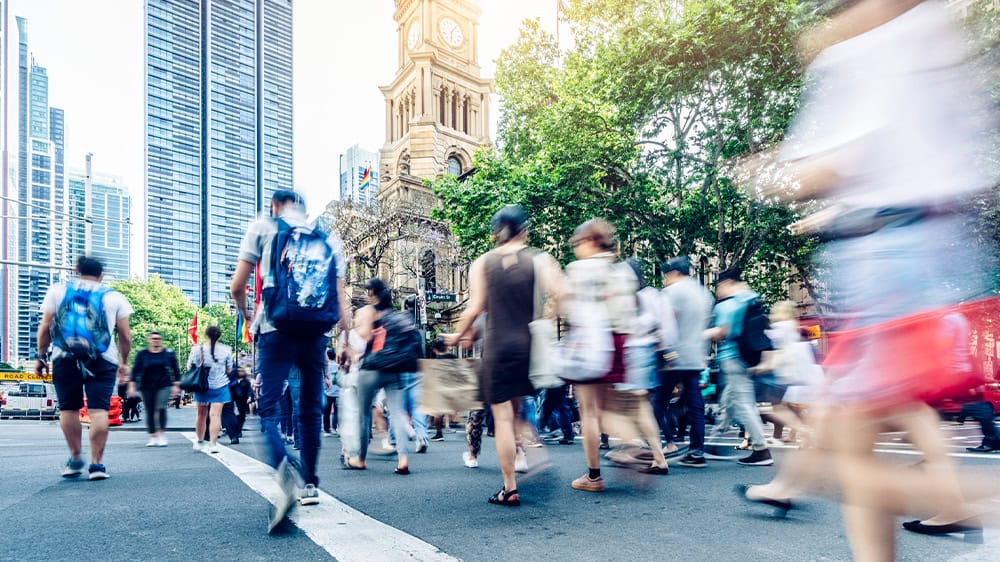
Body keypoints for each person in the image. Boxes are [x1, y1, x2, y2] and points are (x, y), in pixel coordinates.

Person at [231, 189, 351, 531]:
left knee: (268, 407)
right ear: (304, 209)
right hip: (316, 334)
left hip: (275, 328)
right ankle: (311, 483)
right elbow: (342, 300)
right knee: (311, 409)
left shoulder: (263, 227)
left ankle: (284, 466)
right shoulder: (328, 239)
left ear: (274, 206)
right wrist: (344, 340)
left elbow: (237, 285)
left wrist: (247, 315)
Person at [444, 205, 565, 506]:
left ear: (497, 233)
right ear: (524, 230)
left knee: (502, 418)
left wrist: (456, 336)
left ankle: (509, 487)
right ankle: (531, 453)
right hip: (528, 346)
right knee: (520, 407)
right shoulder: (541, 259)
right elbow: (564, 293)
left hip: (497, 349)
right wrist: (547, 318)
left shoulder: (482, 263)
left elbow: (475, 308)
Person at [563, 220, 668, 491]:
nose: (575, 249)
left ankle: (593, 476)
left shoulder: (578, 270)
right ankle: (632, 445)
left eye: (577, 244)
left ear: (589, 241)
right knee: (610, 405)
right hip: (620, 341)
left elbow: (570, 309)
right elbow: (629, 314)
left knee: (589, 412)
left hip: (590, 342)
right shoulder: (623, 273)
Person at [35, 256, 133, 480]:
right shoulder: (114, 297)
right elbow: (126, 336)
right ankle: (97, 465)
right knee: (98, 410)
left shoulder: (57, 291)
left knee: (68, 409)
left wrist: (41, 357)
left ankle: (75, 456)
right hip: (102, 359)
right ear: (102, 275)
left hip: (64, 357)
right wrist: (124, 362)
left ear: (77, 270)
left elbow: (45, 328)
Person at [704, 268, 773, 466]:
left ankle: (761, 450)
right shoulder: (750, 300)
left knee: (743, 404)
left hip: (732, 358)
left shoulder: (727, 306)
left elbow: (722, 332)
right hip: (748, 358)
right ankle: (715, 442)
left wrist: (699, 335)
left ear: (726, 284)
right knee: (730, 401)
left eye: (718, 286)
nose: (718, 291)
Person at [349, 278, 417, 474]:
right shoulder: (395, 314)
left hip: (371, 367)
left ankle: (360, 459)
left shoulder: (367, 312)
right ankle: (403, 459)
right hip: (394, 369)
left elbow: (367, 336)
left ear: (371, 292)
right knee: (396, 413)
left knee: (363, 415)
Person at [656, 257, 714, 468]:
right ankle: (697, 451)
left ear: (672, 273)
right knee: (695, 406)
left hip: (674, 357)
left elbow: (666, 323)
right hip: (696, 357)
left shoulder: (672, 293)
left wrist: (662, 351)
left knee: (657, 402)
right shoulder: (704, 294)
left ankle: (663, 445)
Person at [130, 331, 182, 447]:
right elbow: (135, 371)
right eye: (153, 338)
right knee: (149, 410)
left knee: (161, 408)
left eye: (158, 338)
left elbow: (176, 370)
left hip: (164, 385)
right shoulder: (142, 354)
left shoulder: (167, 354)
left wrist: (176, 385)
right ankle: (153, 436)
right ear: (149, 340)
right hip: (146, 386)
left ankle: (162, 434)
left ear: (161, 340)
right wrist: (132, 386)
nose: (155, 340)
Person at [188, 325, 233, 454]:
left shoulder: (197, 349)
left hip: (202, 386)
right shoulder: (226, 350)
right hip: (220, 385)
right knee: (216, 415)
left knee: (201, 415)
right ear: (219, 335)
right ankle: (213, 443)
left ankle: (200, 441)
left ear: (206, 335)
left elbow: (189, 367)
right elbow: (229, 369)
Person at [323, 349, 340, 436]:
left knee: (327, 411)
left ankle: (327, 429)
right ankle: (334, 428)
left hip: (328, 391)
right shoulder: (338, 366)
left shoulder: (325, 366)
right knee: (337, 411)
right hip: (337, 391)